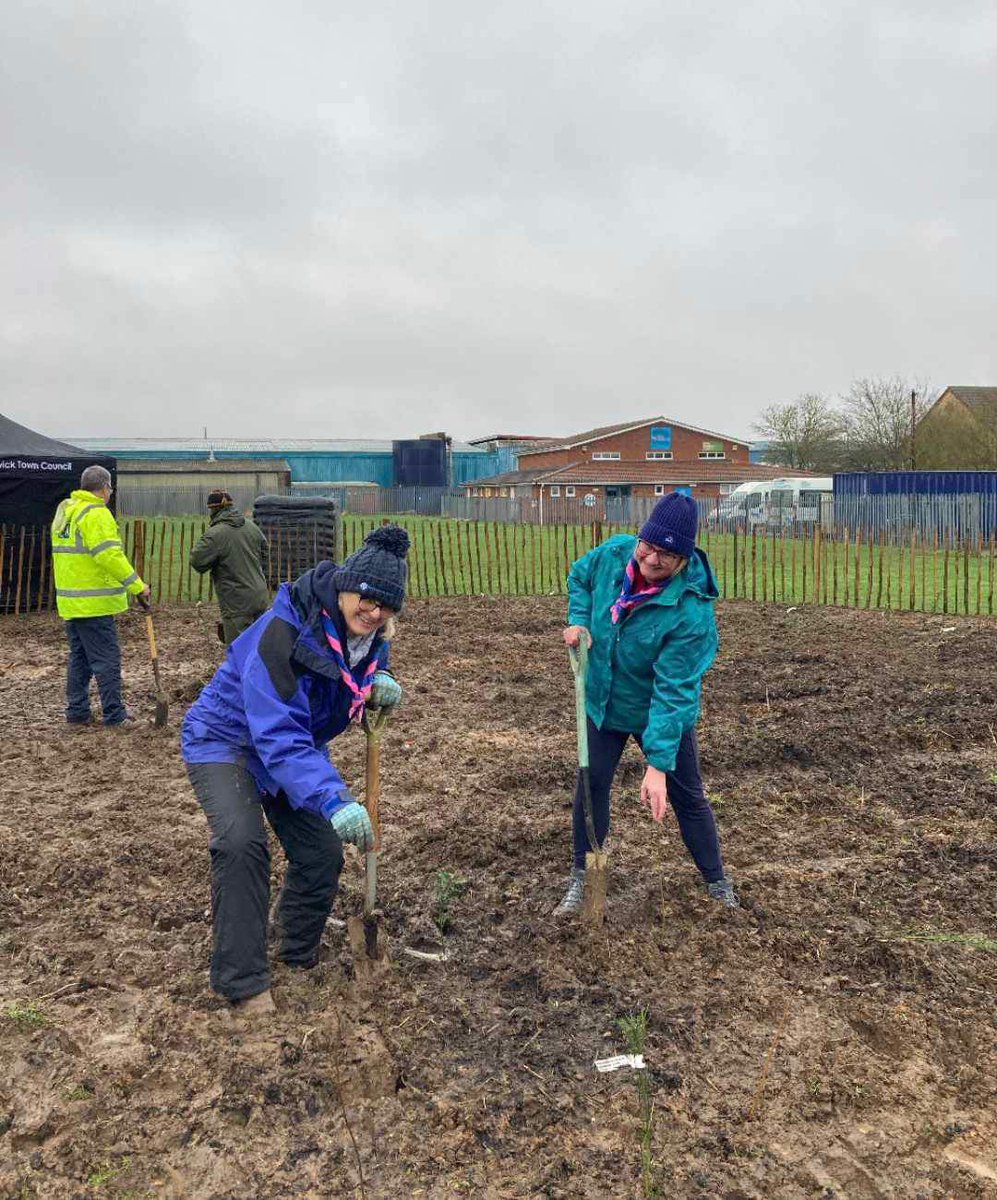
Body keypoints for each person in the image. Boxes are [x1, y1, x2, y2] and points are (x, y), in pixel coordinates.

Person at [181, 525, 409, 1014]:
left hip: (290, 748)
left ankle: (294, 950)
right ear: (344, 587)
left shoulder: (368, 635)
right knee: (242, 842)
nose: (373, 613)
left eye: (386, 606)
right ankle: (242, 984)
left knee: (322, 851)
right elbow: (278, 734)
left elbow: (362, 663)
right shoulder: (282, 633)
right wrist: (331, 797)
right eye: (366, 600)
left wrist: (381, 679)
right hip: (227, 742)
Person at [555, 491, 738, 914]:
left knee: (686, 793)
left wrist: (657, 764)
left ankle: (717, 882)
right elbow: (580, 576)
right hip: (603, 699)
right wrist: (579, 620)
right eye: (648, 547)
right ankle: (583, 876)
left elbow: (674, 691)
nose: (652, 560)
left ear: (684, 559)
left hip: (656, 706)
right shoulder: (616, 554)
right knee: (591, 784)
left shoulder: (691, 613)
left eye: (667, 555)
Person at [51, 464, 151, 727]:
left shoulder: (68, 511)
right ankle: (115, 715)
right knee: (107, 659)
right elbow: (109, 555)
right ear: (105, 488)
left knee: (80, 658)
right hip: (93, 603)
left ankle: (77, 712)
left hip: (72, 602)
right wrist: (137, 585)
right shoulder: (96, 513)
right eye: (110, 489)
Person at [189, 490, 270, 645]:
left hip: (237, 602)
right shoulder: (252, 527)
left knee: (240, 650)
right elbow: (265, 553)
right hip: (260, 595)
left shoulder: (215, 534)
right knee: (260, 645)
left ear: (213, 510)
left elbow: (197, 561)